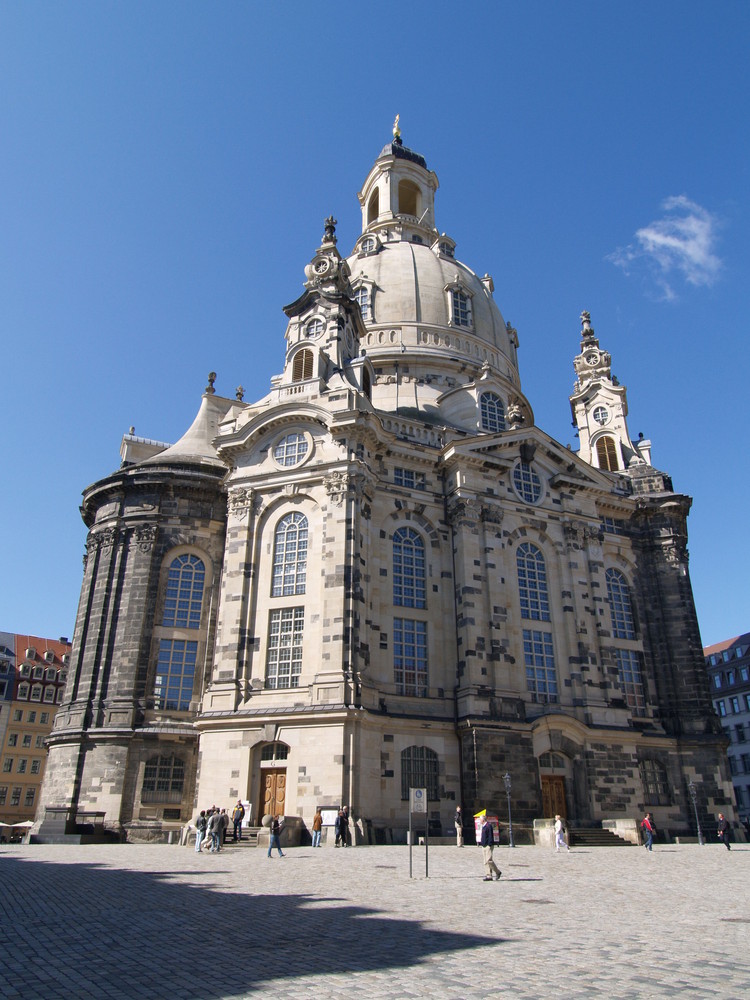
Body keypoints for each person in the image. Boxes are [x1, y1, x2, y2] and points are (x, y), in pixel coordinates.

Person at [480, 815, 501, 882]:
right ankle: (488, 875)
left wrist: (489, 844)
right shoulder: (483, 826)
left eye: (480, 819)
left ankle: (498, 872)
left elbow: (490, 836)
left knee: (489, 860)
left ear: (483, 820)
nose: (479, 821)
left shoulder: (488, 826)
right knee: (485, 861)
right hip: (484, 845)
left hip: (488, 845)